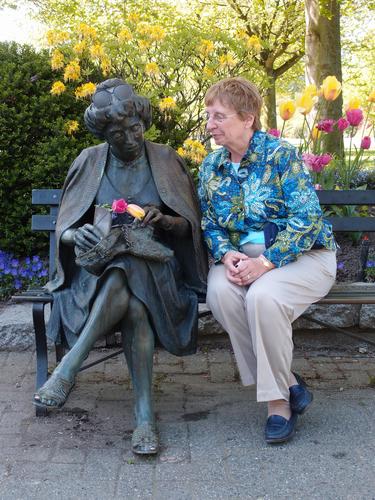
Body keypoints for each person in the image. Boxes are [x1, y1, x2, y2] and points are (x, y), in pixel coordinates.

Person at [34, 78, 207, 455]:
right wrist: (74, 237)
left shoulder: (165, 159)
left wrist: (164, 221)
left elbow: (187, 227)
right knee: (130, 294)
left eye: (135, 128)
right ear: (105, 135)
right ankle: (143, 418)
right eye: (118, 134)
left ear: (143, 122)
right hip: (94, 271)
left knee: (130, 264)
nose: (130, 139)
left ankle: (68, 369)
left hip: (158, 268)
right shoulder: (88, 161)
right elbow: (66, 228)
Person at [198, 77, 337, 444]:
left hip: (303, 256)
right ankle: (290, 383)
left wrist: (267, 262)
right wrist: (226, 255)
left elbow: (307, 220)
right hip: (242, 260)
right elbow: (208, 223)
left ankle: (278, 404)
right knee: (221, 293)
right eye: (208, 116)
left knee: (263, 297)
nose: (210, 124)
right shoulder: (211, 167)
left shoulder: (281, 156)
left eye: (219, 116)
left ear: (248, 118)